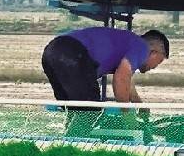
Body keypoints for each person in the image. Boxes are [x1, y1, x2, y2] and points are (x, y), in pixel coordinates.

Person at [41, 26, 169, 104]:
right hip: (72, 53)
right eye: (159, 61)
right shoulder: (142, 46)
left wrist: (138, 104)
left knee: (75, 109)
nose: (154, 67)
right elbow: (121, 78)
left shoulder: (129, 43)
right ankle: (78, 144)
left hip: (51, 52)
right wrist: (127, 117)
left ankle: (71, 142)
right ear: (154, 52)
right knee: (90, 111)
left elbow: (127, 79)